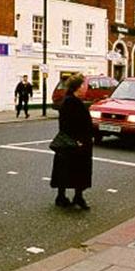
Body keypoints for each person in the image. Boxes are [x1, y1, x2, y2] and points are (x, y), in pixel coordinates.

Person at [50, 73, 94, 209]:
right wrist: (78, 140)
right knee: (73, 170)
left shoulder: (73, 101)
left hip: (78, 142)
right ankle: (69, 197)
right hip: (75, 144)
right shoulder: (70, 102)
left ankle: (73, 196)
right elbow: (67, 124)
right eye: (82, 85)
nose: (85, 87)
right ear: (77, 87)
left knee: (70, 169)